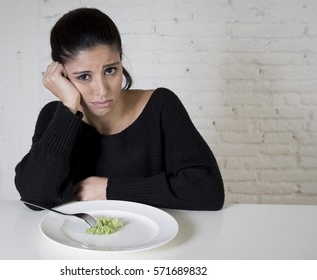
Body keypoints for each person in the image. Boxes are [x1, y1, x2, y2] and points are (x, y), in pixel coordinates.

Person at [15, 8, 224, 210]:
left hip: (154, 241)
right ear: (61, 74)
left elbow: (208, 190)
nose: (102, 90)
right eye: (83, 76)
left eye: (110, 70)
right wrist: (69, 105)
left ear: (121, 61)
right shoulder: (55, 117)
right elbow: (35, 197)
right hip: (77, 243)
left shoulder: (161, 106)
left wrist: (109, 189)